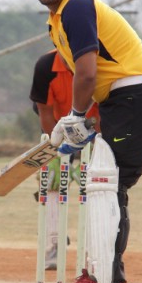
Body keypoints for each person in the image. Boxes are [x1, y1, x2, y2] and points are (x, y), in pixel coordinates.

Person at [24, 0, 142, 283]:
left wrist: (73, 115)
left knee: (109, 185)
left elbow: (88, 74)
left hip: (135, 95)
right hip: (121, 101)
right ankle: (96, 275)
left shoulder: (76, 5)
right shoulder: (57, 20)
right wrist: (81, 122)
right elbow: (93, 78)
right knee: (101, 184)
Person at [29, 48, 99, 269]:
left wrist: (93, 150)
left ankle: (93, 252)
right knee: (50, 180)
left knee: (97, 185)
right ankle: (54, 245)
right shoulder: (46, 66)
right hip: (58, 132)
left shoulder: (98, 64)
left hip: (94, 130)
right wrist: (56, 153)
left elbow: (105, 111)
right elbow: (45, 112)